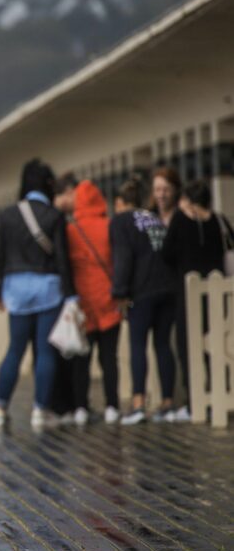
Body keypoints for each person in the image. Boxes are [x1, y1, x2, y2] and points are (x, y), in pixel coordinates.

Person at [0, 159, 75, 429]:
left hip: (15, 289)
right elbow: (63, 260)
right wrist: (71, 295)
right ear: (48, 185)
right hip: (48, 289)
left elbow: (0, 258)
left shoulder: (8, 215)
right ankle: (40, 410)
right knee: (45, 352)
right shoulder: (54, 216)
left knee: (14, 350)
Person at [110, 178, 176, 425]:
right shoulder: (154, 218)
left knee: (137, 345)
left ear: (119, 203)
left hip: (142, 291)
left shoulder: (120, 221)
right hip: (168, 288)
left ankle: (138, 403)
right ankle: (168, 403)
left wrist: (119, 292)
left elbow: (123, 258)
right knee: (162, 345)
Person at [161, 179, 227, 422]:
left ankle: (193, 400)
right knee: (216, 345)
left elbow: (166, 253)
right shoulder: (218, 220)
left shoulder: (180, 220)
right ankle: (218, 391)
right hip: (216, 293)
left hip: (187, 294)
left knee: (188, 347)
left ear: (187, 200)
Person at [66, 180, 122, 424]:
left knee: (82, 360)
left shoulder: (71, 231)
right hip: (109, 301)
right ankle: (112, 406)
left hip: (84, 303)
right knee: (109, 358)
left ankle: (80, 408)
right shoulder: (109, 227)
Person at [50, 172, 81, 420]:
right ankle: (65, 404)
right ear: (68, 192)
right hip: (60, 293)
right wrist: (71, 295)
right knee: (67, 351)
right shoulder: (58, 220)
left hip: (48, 294)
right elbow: (63, 260)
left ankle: (56, 403)